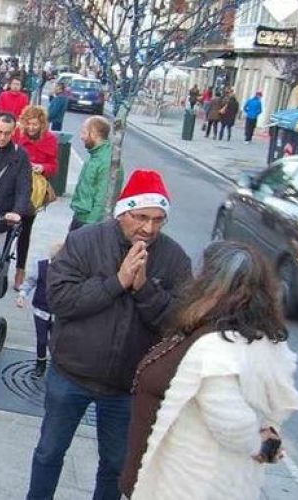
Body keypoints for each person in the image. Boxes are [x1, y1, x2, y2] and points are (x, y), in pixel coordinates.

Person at [26, 169, 193, 500]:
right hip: (71, 374)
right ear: (122, 212)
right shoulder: (85, 241)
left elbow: (179, 322)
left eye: (158, 220)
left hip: (127, 385)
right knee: (49, 451)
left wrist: (144, 289)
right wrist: (116, 282)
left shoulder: (174, 259)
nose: (149, 228)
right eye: (141, 217)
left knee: (116, 464)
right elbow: (60, 299)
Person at [120, 241, 298, 499]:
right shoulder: (258, 339)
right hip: (214, 481)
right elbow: (275, 405)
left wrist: (257, 444)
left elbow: (233, 423)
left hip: (189, 483)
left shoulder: (218, 347)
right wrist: (267, 436)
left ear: (215, 284)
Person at [11, 105, 59, 289]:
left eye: (35, 124)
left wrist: (42, 167)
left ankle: (20, 270)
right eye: (29, 124)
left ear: (42, 124)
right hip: (13, 186)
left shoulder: (49, 140)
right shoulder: (17, 135)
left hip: (33, 192)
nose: (32, 128)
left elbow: (54, 166)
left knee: (25, 230)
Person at [16, 242, 61, 378]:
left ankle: (56, 366)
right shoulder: (41, 267)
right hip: (41, 310)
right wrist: (22, 294)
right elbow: (30, 282)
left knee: (56, 341)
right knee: (41, 340)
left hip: (58, 313)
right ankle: (40, 364)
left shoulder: (68, 271)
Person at [69, 116, 119, 231]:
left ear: (95, 133)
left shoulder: (106, 161)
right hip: (81, 217)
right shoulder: (96, 155)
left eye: (84, 132)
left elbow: (103, 198)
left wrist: (88, 229)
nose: (81, 137)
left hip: (89, 222)